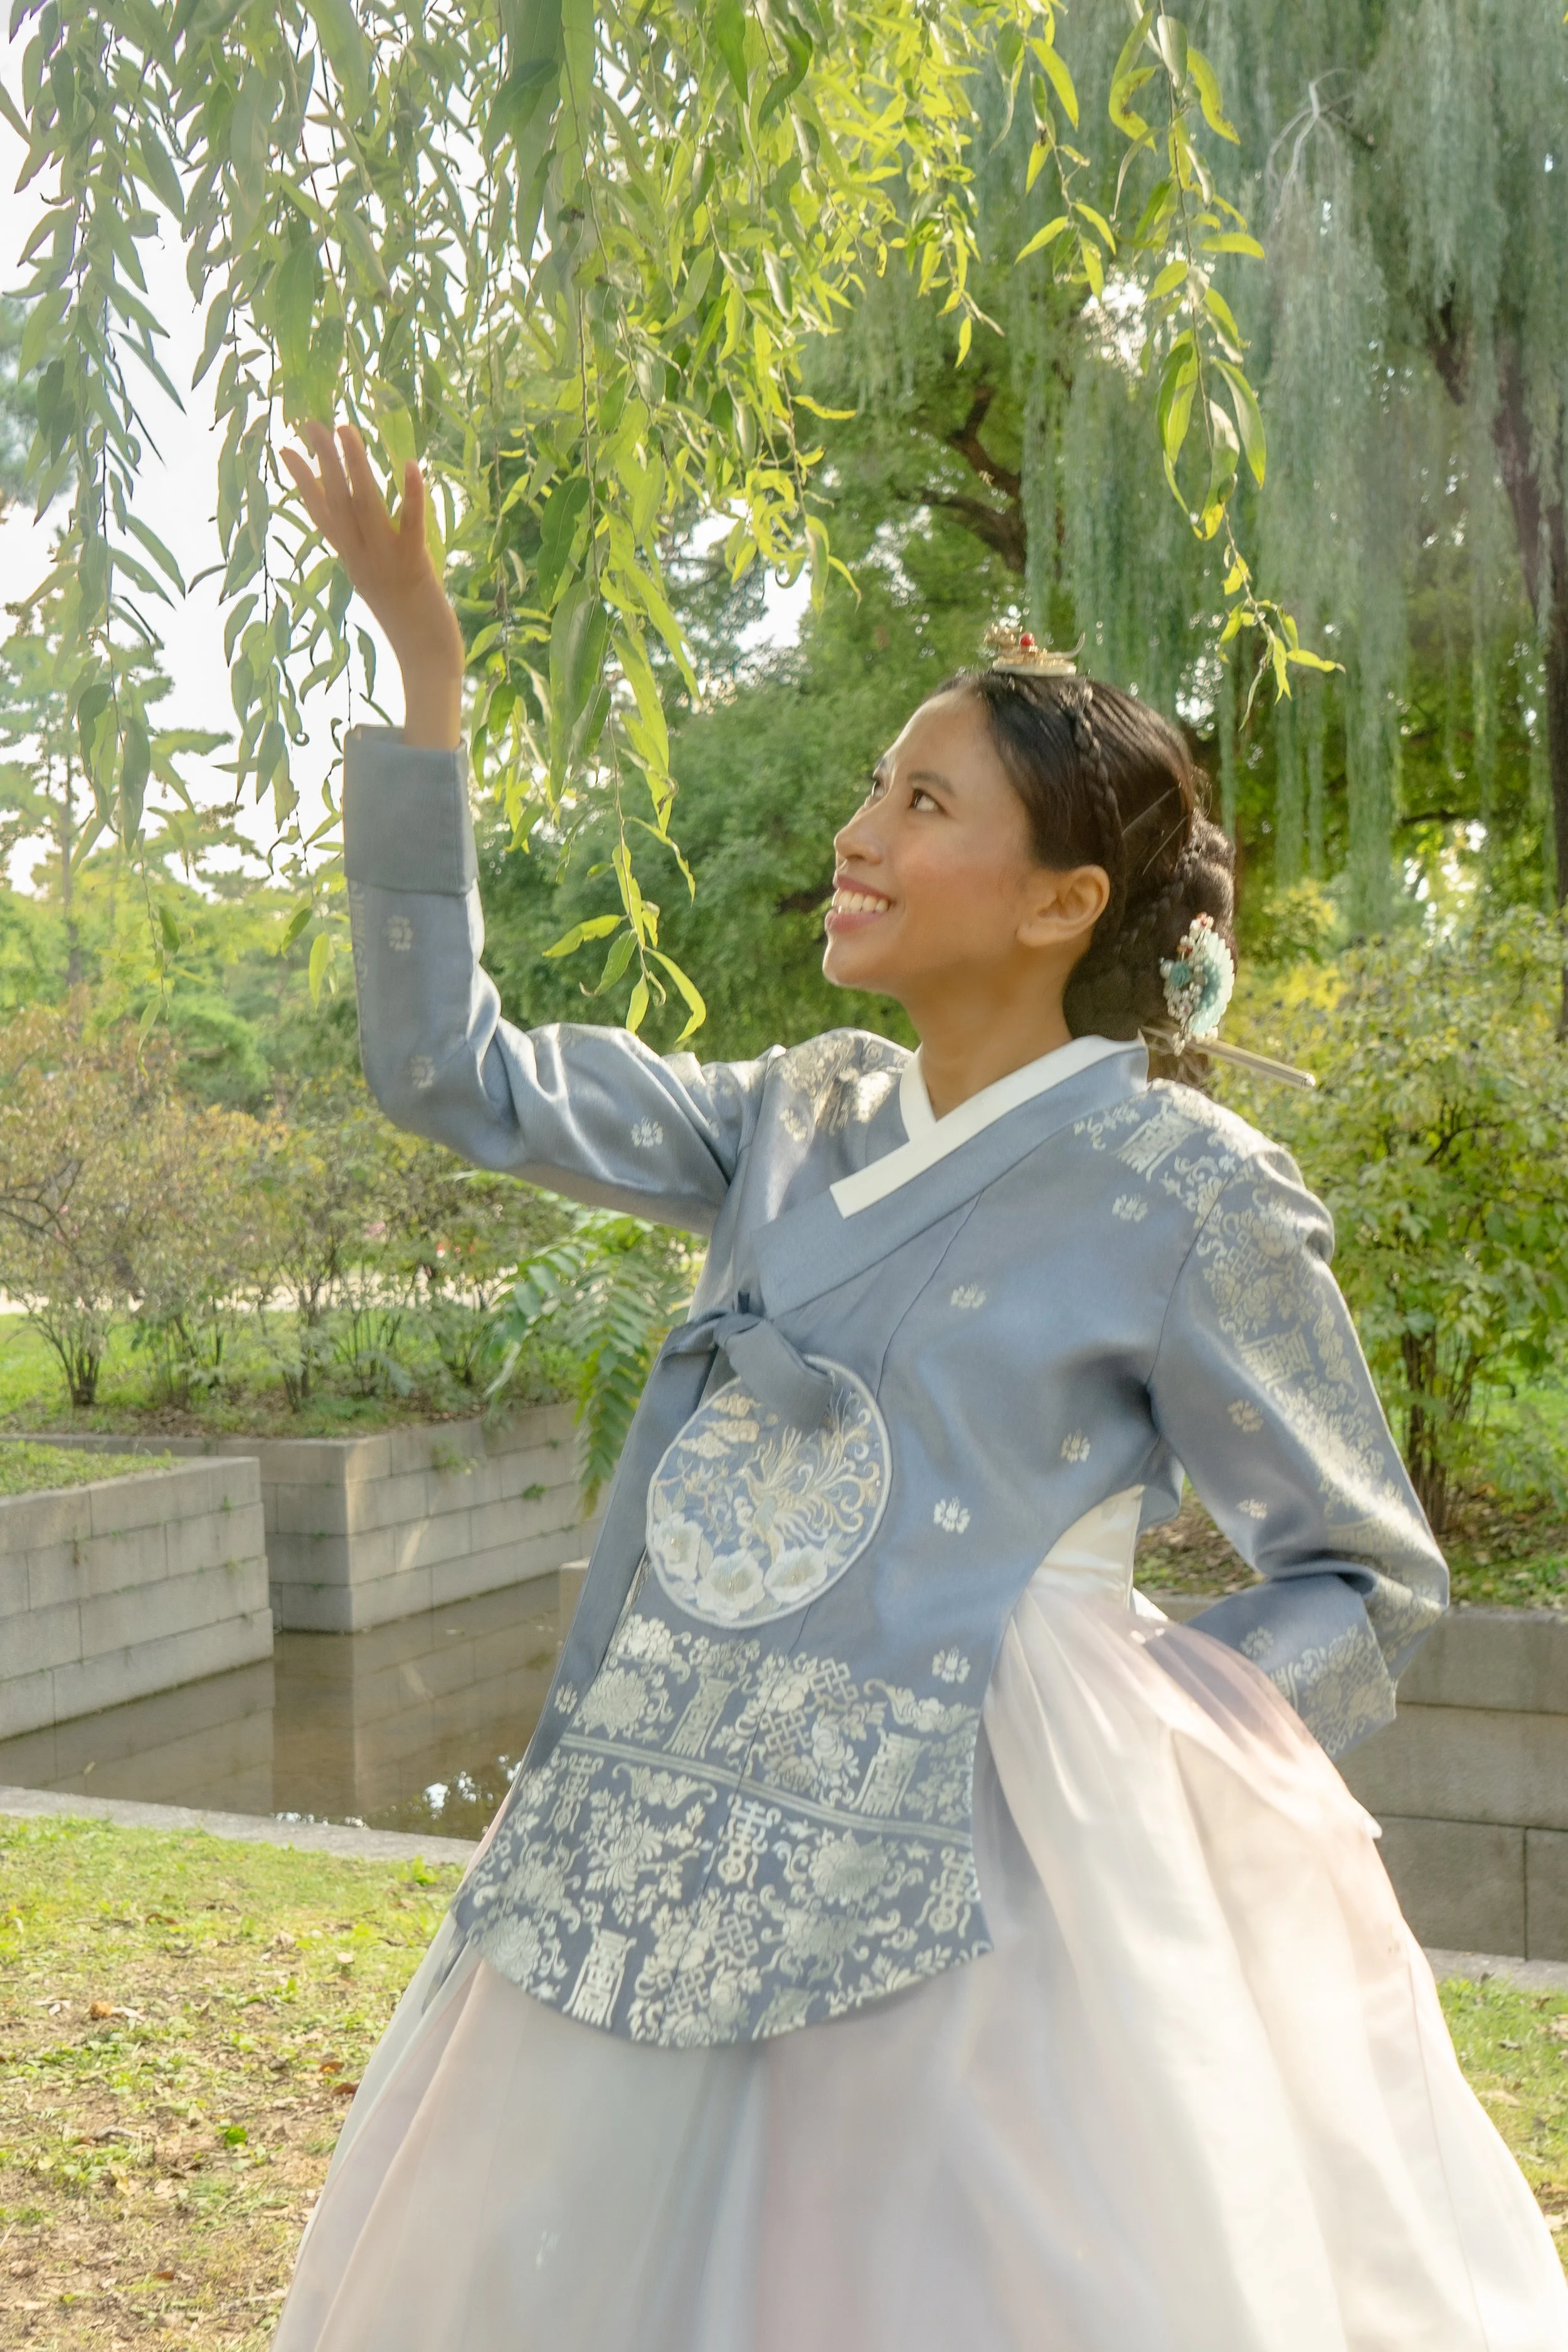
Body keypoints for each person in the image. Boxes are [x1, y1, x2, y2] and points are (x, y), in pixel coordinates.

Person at [272, 421, 1568, 2351]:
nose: (857, 832)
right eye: (872, 788)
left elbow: (1361, 1576)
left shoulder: (1185, 1189)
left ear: (1059, 902)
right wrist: (428, 684)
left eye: (923, 801)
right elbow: (450, 1070)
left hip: (997, 1881)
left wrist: (1154, 1740)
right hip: (674, 1817)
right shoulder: (786, 1116)